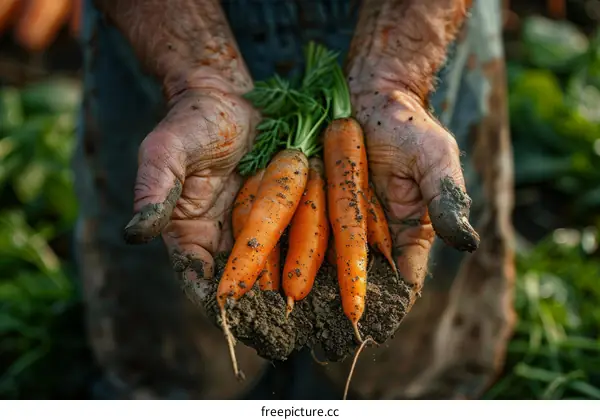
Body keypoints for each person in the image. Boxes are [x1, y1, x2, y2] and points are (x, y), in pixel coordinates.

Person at [72, 0, 516, 399]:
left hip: (416, 28)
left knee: (416, 361)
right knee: (173, 341)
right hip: (165, 33)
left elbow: (348, 219)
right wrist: (198, 79)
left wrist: (395, 76)